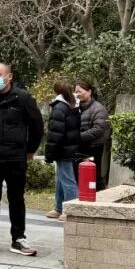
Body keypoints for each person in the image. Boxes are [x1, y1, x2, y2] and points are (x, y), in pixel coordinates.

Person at [0, 62, 44, 255]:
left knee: (16, 199)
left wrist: (30, 150)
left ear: (9, 77)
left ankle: (18, 238)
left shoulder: (23, 98)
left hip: (15, 157)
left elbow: (37, 127)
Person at [44, 80, 81, 219]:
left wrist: (49, 153)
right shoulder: (73, 105)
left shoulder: (59, 107)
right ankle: (59, 208)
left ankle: (72, 211)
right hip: (69, 148)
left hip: (62, 149)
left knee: (68, 180)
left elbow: (55, 134)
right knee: (61, 179)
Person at [75, 80, 109, 191]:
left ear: (89, 92)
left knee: (93, 176)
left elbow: (98, 129)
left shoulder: (99, 108)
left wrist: (77, 137)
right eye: (76, 92)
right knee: (79, 176)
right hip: (79, 147)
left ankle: (98, 194)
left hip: (93, 147)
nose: (77, 94)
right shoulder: (75, 108)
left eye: (80, 91)